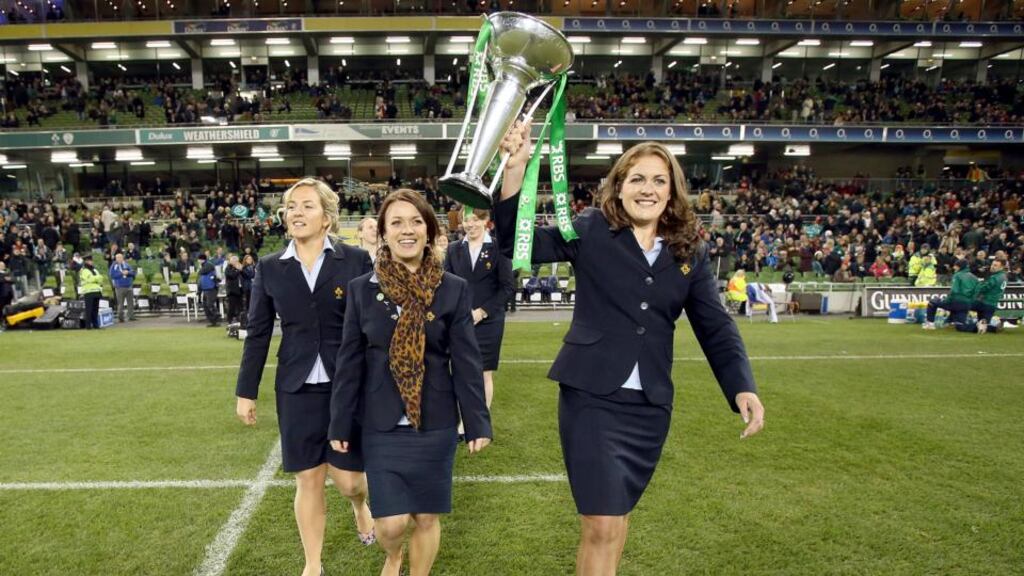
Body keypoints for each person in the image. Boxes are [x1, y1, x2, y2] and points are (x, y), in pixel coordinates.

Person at [495, 126, 764, 576]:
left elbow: (715, 325)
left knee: (616, 523)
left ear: (672, 190)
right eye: (637, 178)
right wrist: (517, 167)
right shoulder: (591, 228)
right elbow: (514, 242)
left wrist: (742, 388)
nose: (648, 189)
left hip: (650, 406)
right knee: (600, 523)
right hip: (592, 398)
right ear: (619, 187)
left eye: (659, 180)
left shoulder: (689, 248)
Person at [329, 189, 492, 576]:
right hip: (381, 423)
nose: (407, 230)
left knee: (426, 517)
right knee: (392, 524)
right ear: (383, 233)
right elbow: (349, 361)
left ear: (429, 230)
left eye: (416, 221)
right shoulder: (361, 290)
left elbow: (467, 362)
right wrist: (339, 422)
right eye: (396, 222)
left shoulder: (453, 288)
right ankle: (393, 554)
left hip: (434, 421)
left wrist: (477, 421)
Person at [236, 178, 375, 576]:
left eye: (307, 206)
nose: (296, 212)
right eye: (291, 206)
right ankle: (313, 564)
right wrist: (246, 392)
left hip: (346, 386)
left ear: (328, 218)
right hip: (295, 387)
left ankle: (358, 506)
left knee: (350, 482)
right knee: (308, 479)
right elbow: (258, 331)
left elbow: (371, 326)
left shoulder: (355, 261)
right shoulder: (269, 267)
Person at [445, 208, 514, 413]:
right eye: (466, 220)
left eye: (475, 219)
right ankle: (462, 420)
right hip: (459, 322)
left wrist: (482, 312)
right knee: (461, 372)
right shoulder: (453, 249)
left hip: (489, 322)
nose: (470, 224)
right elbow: (446, 284)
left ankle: (480, 422)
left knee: (484, 373)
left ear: (486, 221)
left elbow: (507, 288)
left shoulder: (499, 248)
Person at [923, 259, 976, 330]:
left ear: (960, 267)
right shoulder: (974, 278)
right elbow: (977, 291)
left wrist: (947, 300)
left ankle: (930, 324)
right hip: (966, 305)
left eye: (956, 266)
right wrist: (970, 302)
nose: (954, 267)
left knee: (932, 302)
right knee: (960, 326)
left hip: (956, 301)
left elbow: (954, 290)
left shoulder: (957, 275)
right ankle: (982, 327)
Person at [972, 256, 1008, 335]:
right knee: (983, 324)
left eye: (995, 265)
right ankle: (995, 328)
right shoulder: (1004, 276)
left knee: (961, 303)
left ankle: (957, 322)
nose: (992, 267)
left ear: (1001, 267)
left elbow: (984, 288)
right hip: (992, 305)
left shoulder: (995, 277)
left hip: (984, 302)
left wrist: (976, 286)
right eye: (992, 264)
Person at [108, 252, 137, 322]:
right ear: (116, 259)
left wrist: (128, 273)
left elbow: (133, 272)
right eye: (118, 258)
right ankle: (121, 317)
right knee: (120, 303)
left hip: (129, 286)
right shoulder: (114, 266)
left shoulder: (126, 265)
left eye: (120, 257)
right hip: (119, 287)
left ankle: (131, 316)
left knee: (130, 303)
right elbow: (112, 275)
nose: (119, 259)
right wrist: (121, 273)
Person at [79, 254, 103, 329]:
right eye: (89, 261)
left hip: (97, 291)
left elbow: (101, 279)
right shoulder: (84, 270)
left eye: (91, 260)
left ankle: (96, 325)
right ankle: (88, 326)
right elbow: (90, 279)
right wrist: (97, 278)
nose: (91, 262)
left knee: (95, 310)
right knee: (89, 310)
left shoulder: (94, 270)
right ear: (86, 261)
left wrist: (96, 278)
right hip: (88, 292)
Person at [197, 253, 221, 327]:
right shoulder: (204, 267)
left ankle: (216, 315)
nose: (199, 261)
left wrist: (200, 268)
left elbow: (201, 272)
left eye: (199, 260)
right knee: (206, 306)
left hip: (211, 288)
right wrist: (199, 291)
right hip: (205, 289)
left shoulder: (208, 265)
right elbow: (200, 281)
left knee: (209, 304)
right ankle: (213, 321)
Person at [224, 254, 245, 324]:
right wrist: (238, 270)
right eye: (235, 261)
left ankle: (241, 319)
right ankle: (229, 320)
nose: (236, 262)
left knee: (240, 306)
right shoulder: (228, 268)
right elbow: (232, 275)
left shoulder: (239, 267)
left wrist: (241, 270)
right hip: (232, 291)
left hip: (240, 290)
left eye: (237, 261)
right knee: (231, 307)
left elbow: (244, 275)